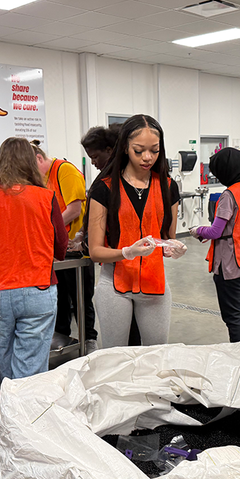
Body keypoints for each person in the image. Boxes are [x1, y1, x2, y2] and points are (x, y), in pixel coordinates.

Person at [0, 137, 67, 382]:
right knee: (30, 368)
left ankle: (10, 413)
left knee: (5, 363)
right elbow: (60, 247)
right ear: (31, 163)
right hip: (37, 288)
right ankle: (28, 415)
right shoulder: (45, 196)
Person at [86, 114, 186, 348]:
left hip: (154, 283)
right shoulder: (104, 189)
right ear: (124, 148)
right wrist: (126, 252)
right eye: (139, 150)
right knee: (115, 356)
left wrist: (172, 247)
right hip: (114, 284)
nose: (147, 157)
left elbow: (167, 239)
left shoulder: (168, 187)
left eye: (154, 150)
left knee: (156, 354)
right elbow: (95, 251)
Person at [79, 123, 143, 347]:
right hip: (117, 266)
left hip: (137, 268)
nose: (94, 163)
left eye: (96, 157)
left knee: (134, 335)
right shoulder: (104, 184)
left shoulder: (132, 182)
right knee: (122, 337)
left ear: (111, 149)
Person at [190, 148, 240, 342]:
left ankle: (237, 356)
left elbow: (215, 231)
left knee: (232, 316)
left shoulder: (229, 195)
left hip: (229, 263)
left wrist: (197, 230)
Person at [31, 142, 96, 353]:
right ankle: (63, 342)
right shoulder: (43, 178)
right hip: (57, 249)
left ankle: (89, 342)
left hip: (74, 247)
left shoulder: (63, 170)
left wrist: (48, 228)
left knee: (81, 298)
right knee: (59, 299)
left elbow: (74, 209)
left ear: (39, 158)